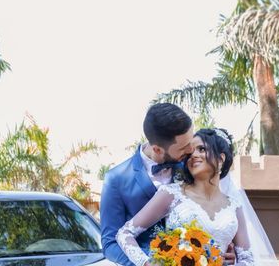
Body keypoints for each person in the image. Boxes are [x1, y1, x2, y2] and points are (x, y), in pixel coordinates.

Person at [115, 128, 279, 266]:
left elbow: (247, 259)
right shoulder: (172, 194)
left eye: (201, 149)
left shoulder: (234, 206)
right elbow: (124, 233)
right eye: (190, 152)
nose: (193, 155)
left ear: (221, 159)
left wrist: (234, 262)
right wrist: (148, 263)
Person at [100, 104, 237, 266]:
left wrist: (223, 248)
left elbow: (214, 207)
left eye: (191, 142)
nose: (191, 150)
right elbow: (110, 244)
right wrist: (151, 263)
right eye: (184, 147)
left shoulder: (192, 167)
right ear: (157, 150)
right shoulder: (116, 179)